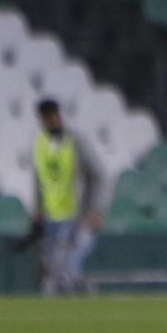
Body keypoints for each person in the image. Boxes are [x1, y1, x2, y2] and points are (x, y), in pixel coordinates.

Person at [31, 98, 105, 296]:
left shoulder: (76, 142)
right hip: (50, 216)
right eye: (47, 117)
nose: (52, 121)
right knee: (54, 270)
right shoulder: (40, 144)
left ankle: (74, 292)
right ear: (42, 120)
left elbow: (98, 175)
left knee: (66, 265)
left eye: (54, 116)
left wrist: (94, 210)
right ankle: (74, 292)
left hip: (74, 214)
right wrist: (37, 209)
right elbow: (39, 180)